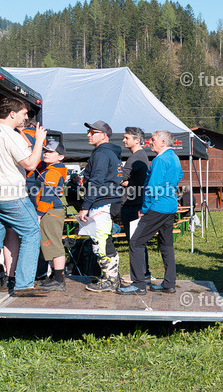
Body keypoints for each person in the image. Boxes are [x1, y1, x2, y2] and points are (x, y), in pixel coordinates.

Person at [118, 130, 184, 294]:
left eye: (153, 140)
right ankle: (169, 283)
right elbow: (179, 175)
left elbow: (151, 188)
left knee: (136, 242)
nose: (150, 143)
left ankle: (139, 284)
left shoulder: (160, 160)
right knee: (166, 244)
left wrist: (144, 210)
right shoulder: (174, 158)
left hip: (157, 207)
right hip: (170, 207)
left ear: (163, 142)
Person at [0, 98, 47, 296]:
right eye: (24, 114)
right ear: (12, 114)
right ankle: (23, 285)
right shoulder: (10, 135)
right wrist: (39, 140)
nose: (26, 118)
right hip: (14, 196)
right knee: (32, 233)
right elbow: (31, 164)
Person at [79, 121, 124, 292]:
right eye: (88, 132)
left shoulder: (102, 153)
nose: (88, 135)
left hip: (102, 202)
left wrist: (86, 205)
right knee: (104, 240)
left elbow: (96, 181)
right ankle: (111, 278)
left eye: (92, 132)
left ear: (103, 135)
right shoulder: (109, 153)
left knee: (101, 242)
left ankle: (111, 281)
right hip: (108, 200)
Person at [31, 139, 69, 291]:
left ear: (60, 157)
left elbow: (47, 195)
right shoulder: (50, 170)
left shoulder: (53, 172)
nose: (46, 154)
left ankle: (59, 280)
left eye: (51, 152)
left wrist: (39, 214)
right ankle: (55, 276)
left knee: (54, 245)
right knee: (51, 244)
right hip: (51, 211)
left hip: (50, 211)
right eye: (45, 151)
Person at [120, 127, 151, 283]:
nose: (124, 140)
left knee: (135, 243)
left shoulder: (135, 159)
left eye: (127, 137)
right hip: (136, 204)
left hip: (133, 205)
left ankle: (139, 275)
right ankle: (143, 273)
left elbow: (122, 180)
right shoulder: (141, 156)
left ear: (137, 140)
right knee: (137, 242)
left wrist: (124, 181)